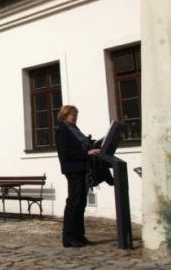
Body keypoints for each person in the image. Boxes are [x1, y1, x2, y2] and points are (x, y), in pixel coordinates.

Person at [54, 105, 100, 248]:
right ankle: (68, 237)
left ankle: (79, 235)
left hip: (82, 168)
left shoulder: (75, 130)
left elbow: (84, 145)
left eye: (76, 114)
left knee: (81, 203)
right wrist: (86, 153)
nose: (75, 117)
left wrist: (94, 146)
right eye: (73, 114)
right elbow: (66, 153)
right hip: (73, 170)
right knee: (74, 202)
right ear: (64, 115)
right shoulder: (62, 131)